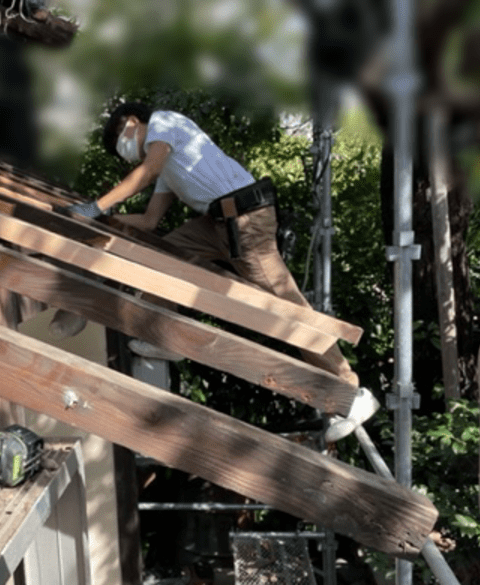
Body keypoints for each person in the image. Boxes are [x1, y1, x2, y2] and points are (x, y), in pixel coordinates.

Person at [57, 102, 376, 441]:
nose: (126, 154)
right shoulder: (166, 165)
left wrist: (97, 206)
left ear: (133, 122)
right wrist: (102, 220)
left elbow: (146, 172)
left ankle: (351, 391)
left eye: (121, 142)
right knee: (166, 254)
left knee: (289, 311)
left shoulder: (164, 123)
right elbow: (149, 221)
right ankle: (167, 336)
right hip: (218, 222)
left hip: (245, 218)